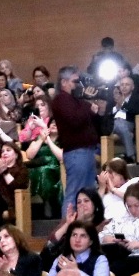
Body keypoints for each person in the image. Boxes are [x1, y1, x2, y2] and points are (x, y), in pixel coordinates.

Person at [51, 66, 101, 211]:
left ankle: (83, 228)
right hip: (76, 153)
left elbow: (89, 120)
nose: (78, 84)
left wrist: (93, 108)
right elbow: (75, 120)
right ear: (64, 82)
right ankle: (66, 230)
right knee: (74, 194)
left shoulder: (75, 100)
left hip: (86, 151)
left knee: (88, 194)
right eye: (75, 81)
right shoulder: (61, 100)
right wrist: (87, 104)